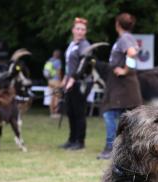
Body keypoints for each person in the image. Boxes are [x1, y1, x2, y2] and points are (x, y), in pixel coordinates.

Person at [97, 13, 143, 160]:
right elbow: (134, 53)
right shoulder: (128, 38)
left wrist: (125, 70)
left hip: (122, 86)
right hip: (122, 86)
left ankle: (111, 148)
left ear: (117, 24)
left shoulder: (125, 38)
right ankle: (131, 149)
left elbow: (131, 53)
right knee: (127, 118)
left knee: (109, 113)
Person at [59, 17, 90, 150]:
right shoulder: (72, 44)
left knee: (79, 112)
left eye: (82, 29)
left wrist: (72, 79)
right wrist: (65, 79)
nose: (80, 31)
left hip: (79, 83)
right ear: (73, 30)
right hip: (69, 82)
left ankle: (80, 141)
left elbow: (82, 66)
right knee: (70, 111)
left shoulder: (85, 46)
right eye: (77, 29)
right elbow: (69, 65)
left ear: (85, 32)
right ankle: (71, 139)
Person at [43, 49, 62, 118]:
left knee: (51, 96)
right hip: (55, 81)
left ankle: (51, 112)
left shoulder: (49, 60)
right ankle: (55, 113)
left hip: (49, 81)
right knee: (56, 96)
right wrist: (60, 81)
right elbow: (58, 72)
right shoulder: (58, 61)